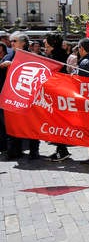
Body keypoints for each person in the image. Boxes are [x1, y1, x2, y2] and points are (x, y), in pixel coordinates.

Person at [1, 33, 41, 161]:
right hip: (12, 97)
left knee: (31, 125)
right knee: (13, 125)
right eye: (11, 41)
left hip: (28, 97)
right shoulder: (8, 56)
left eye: (15, 41)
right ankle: (14, 151)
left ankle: (34, 151)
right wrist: (2, 65)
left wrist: (12, 65)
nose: (11, 43)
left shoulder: (32, 56)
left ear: (23, 43)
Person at [44, 34, 72, 162]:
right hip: (58, 93)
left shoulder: (56, 56)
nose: (45, 48)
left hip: (58, 94)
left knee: (58, 123)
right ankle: (61, 150)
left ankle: (62, 150)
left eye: (47, 45)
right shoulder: (58, 54)